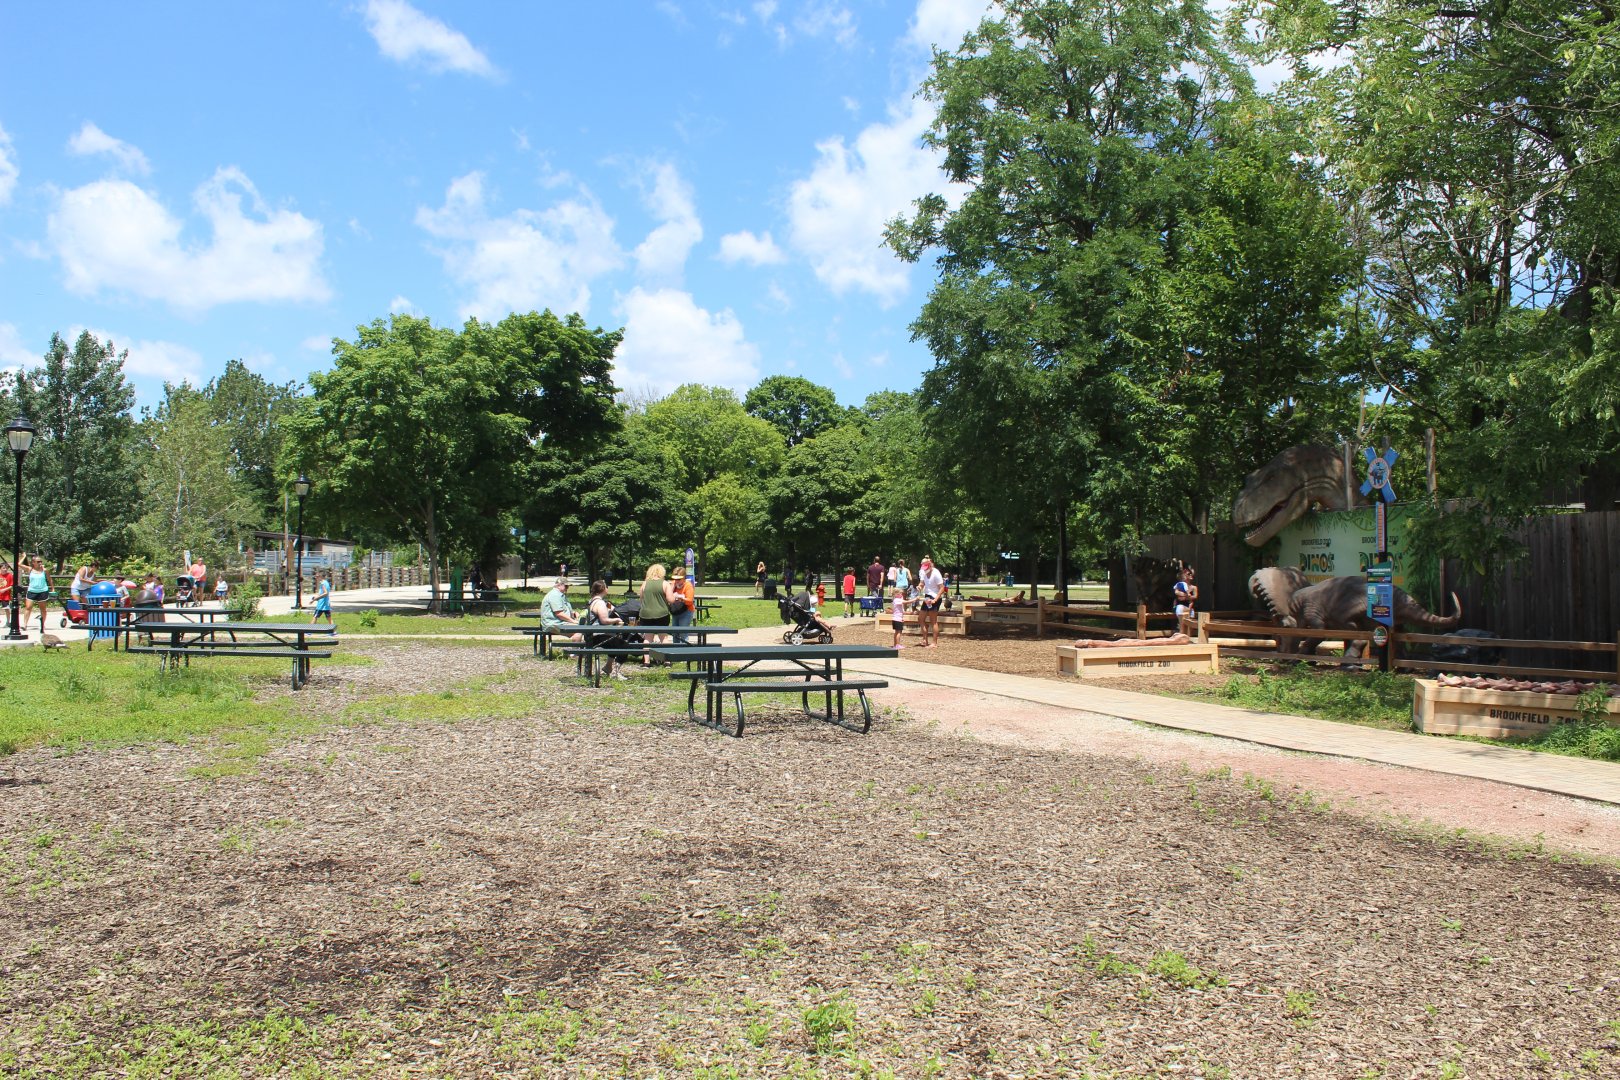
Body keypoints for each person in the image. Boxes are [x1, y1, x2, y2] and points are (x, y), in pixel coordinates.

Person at [586, 580, 629, 680]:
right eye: (606, 587)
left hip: (591, 635)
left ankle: (608, 667)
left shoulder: (592, 601)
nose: (607, 589)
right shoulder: (600, 603)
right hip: (598, 636)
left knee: (615, 641)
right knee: (624, 645)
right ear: (603, 589)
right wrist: (617, 619)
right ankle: (615, 672)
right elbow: (604, 620)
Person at [638, 563, 673, 662]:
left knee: (648, 638)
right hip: (662, 613)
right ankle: (667, 661)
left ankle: (646, 661)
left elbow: (641, 599)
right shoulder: (665, 583)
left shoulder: (645, 583)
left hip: (646, 614)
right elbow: (671, 599)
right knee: (664, 638)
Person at [540, 576, 583, 644]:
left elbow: (564, 609)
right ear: (559, 585)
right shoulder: (555, 595)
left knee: (582, 629)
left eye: (567, 587)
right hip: (553, 624)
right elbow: (559, 614)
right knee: (578, 630)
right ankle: (575, 653)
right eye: (566, 586)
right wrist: (573, 621)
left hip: (560, 622)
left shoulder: (560, 595)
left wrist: (574, 613)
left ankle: (578, 652)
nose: (567, 588)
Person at [916, 556, 946, 648]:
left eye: (925, 567)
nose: (924, 570)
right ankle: (925, 640)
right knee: (921, 618)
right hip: (927, 597)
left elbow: (942, 588)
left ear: (930, 565)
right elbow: (922, 583)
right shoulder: (923, 572)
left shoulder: (936, 573)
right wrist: (919, 587)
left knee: (933, 621)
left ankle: (934, 643)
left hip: (934, 597)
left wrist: (935, 600)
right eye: (923, 567)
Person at [23, 555, 50, 633]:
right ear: (33, 562)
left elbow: (49, 579)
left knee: (43, 609)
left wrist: (52, 588)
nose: (40, 563)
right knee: (28, 607)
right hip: (32, 590)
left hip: (42, 590)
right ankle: (25, 624)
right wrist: (24, 557)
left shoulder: (44, 570)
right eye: (38, 562)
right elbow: (18, 564)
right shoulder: (30, 569)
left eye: (41, 561)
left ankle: (43, 624)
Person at [669, 565, 695, 644]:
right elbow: (668, 597)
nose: (676, 581)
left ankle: (684, 653)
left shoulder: (688, 585)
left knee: (683, 634)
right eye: (674, 579)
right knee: (674, 633)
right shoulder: (673, 584)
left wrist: (681, 597)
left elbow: (690, 601)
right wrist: (672, 588)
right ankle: (675, 653)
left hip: (686, 612)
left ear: (684, 578)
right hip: (676, 611)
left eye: (679, 579)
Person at [1173, 565, 1199, 633]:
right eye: (1188, 574)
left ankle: (1186, 635)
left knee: (1189, 626)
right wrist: (1184, 595)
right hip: (1181, 606)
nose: (1191, 575)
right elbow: (1176, 593)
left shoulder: (1194, 587)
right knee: (1179, 608)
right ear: (1184, 576)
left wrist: (1186, 597)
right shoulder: (1180, 585)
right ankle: (1181, 629)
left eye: (1191, 574)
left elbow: (1195, 596)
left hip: (1189, 606)